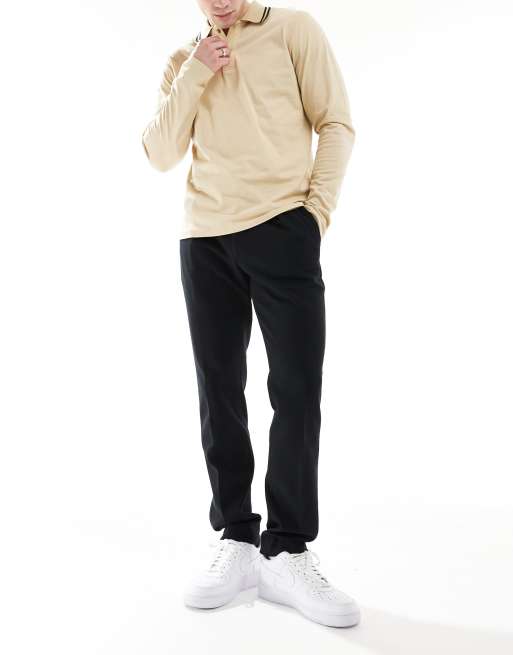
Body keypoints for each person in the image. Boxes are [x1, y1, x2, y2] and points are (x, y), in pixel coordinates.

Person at [142, 0, 359, 628]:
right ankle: (236, 535)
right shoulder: (183, 59)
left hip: (283, 228)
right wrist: (197, 70)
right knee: (219, 391)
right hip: (204, 240)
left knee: (297, 388)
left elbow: (336, 122)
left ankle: (287, 548)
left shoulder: (294, 30)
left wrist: (314, 215)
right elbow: (159, 152)